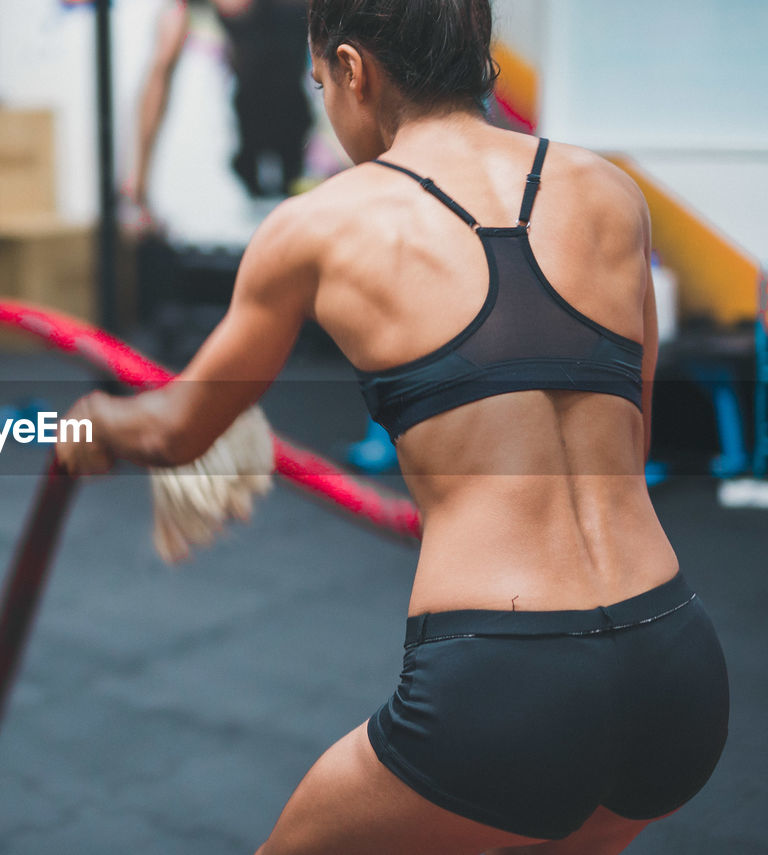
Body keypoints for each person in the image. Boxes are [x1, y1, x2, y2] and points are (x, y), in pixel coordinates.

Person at [56, 0, 729, 852]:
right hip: (676, 661)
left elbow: (177, 429)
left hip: (505, 679)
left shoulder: (318, 225)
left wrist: (91, 426)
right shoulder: (610, 193)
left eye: (319, 85)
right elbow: (624, 448)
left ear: (353, 69)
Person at [127, 0, 313, 227]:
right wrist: (139, 184)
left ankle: (138, 187)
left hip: (287, 122)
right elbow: (163, 60)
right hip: (260, 121)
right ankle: (137, 187)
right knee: (173, 33)